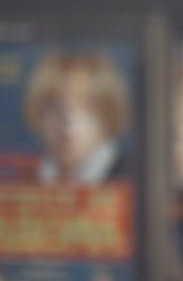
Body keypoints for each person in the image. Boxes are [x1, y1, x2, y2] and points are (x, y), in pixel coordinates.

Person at [22, 52, 131, 185]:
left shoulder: (137, 179)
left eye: (87, 109)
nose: (69, 123)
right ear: (37, 114)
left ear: (109, 113)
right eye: (55, 109)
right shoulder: (25, 181)